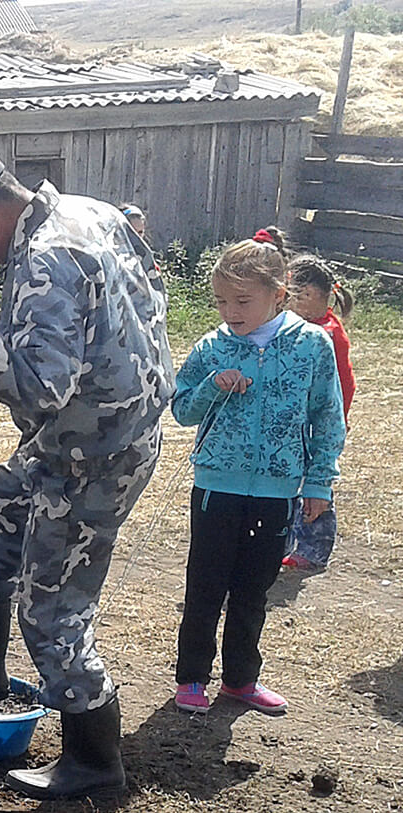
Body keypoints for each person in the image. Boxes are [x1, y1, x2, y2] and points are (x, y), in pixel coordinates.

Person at [0, 135, 171, 800]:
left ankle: (95, 759)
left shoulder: (47, 257)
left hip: (96, 456)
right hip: (76, 437)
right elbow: (151, 303)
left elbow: (40, 384)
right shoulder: (92, 213)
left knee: (52, 606)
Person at [169, 230, 345, 717]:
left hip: (277, 491)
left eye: (242, 300)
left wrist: (318, 482)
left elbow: (328, 416)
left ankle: (241, 681)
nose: (230, 311)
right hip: (215, 488)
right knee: (204, 586)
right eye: (221, 300)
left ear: (279, 293)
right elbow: (181, 408)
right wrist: (210, 385)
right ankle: (191, 680)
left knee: (253, 590)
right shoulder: (212, 347)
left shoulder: (312, 345)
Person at [283, 254, 355, 572]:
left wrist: (333, 424)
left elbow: (341, 387)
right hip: (300, 418)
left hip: (320, 421)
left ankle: (314, 547)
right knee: (292, 481)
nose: (293, 302)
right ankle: (286, 540)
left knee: (316, 485)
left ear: (318, 296)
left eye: (300, 296)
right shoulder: (306, 327)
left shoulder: (325, 333)